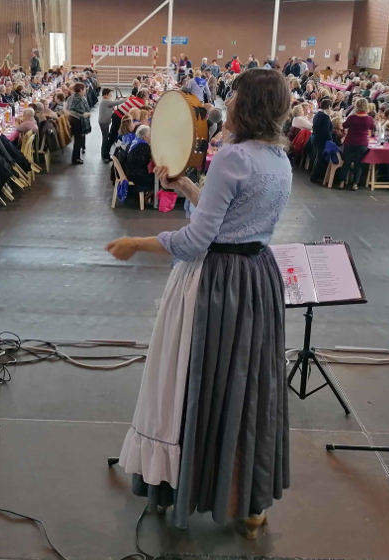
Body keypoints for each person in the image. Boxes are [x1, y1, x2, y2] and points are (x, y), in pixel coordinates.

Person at [107, 69, 292, 538]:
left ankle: (182, 485)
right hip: (256, 281)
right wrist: (186, 184)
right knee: (246, 390)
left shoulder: (232, 157)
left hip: (214, 284)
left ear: (243, 105)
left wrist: (137, 242)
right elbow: (230, 217)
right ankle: (248, 501)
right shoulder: (279, 160)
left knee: (191, 383)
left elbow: (196, 242)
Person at [338, 97, 373, 190]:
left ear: (357, 106)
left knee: (346, 163)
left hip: (350, 142)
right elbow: (373, 128)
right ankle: (355, 184)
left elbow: (344, 126)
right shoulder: (369, 119)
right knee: (359, 164)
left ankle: (342, 182)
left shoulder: (352, 118)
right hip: (362, 144)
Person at [123, 125, 154, 199]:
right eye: (150, 135)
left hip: (129, 171)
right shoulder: (143, 146)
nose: (151, 137)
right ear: (145, 136)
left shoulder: (135, 141)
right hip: (136, 175)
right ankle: (150, 196)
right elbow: (146, 161)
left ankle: (150, 194)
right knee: (159, 177)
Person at [309, 98, 335, 183]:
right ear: (329, 107)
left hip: (315, 138)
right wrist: (331, 141)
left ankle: (314, 175)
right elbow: (326, 131)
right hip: (322, 140)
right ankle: (315, 176)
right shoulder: (325, 117)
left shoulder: (318, 114)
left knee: (316, 157)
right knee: (320, 159)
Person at [66, 82, 91, 165]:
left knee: (78, 140)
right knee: (78, 141)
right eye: (84, 89)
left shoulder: (71, 97)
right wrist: (84, 115)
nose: (85, 91)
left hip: (72, 119)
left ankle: (76, 157)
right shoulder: (79, 98)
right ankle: (75, 159)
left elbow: (68, 109)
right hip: (77, 121)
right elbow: (73, 110)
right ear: (80, 90)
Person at [98, 88, 122, 160]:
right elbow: (115, 103)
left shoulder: (106, 101)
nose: (111, 95)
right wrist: (127, 99)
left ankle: (105, 154)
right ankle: (104, 156)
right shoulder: (105, 101)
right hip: (104, 122)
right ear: (105, 95)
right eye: (110, 94)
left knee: (105, 138)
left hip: (104, 122)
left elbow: (112, 106)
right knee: (105, 139)